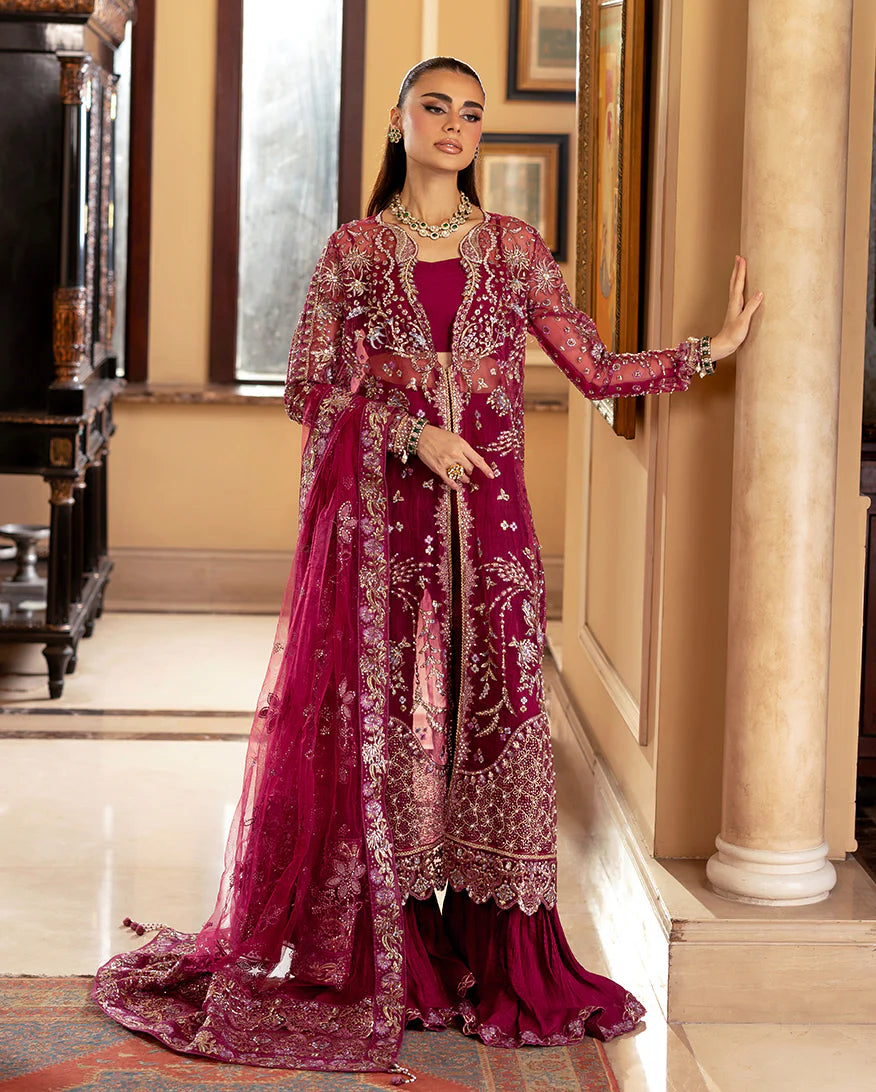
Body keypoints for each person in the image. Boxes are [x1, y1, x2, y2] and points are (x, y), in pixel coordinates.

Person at [92, 56, 762, 1083]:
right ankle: (403, 959)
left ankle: (502, 962)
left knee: (497, 728)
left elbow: (591, 368)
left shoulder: (515, 249)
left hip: (496, 540)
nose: (455, 126)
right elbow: (309, 389)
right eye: (436, 108)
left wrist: (707, 350)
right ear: (398, 121)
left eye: (471, 114)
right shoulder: (356, 251)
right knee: (401, 730)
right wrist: (408, 433)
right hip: (391, 542)